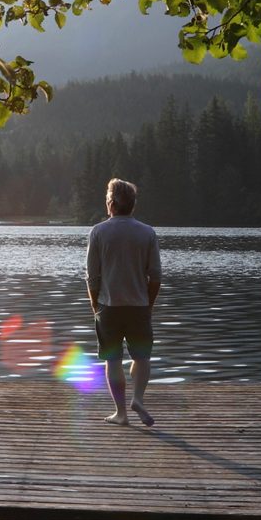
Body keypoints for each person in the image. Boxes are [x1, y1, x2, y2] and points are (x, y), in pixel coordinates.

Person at [85, 178, 161, 426]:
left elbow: (92, 277)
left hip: (109, 306)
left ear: (111, 203)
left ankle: (121, 413)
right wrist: (148, 304)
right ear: (132, 204)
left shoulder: (98, 232)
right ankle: (138, 398)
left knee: (113, 360)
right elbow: (156, 276)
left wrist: (95, 306)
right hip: (139, 306)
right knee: (142, 357)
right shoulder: (147, 232)